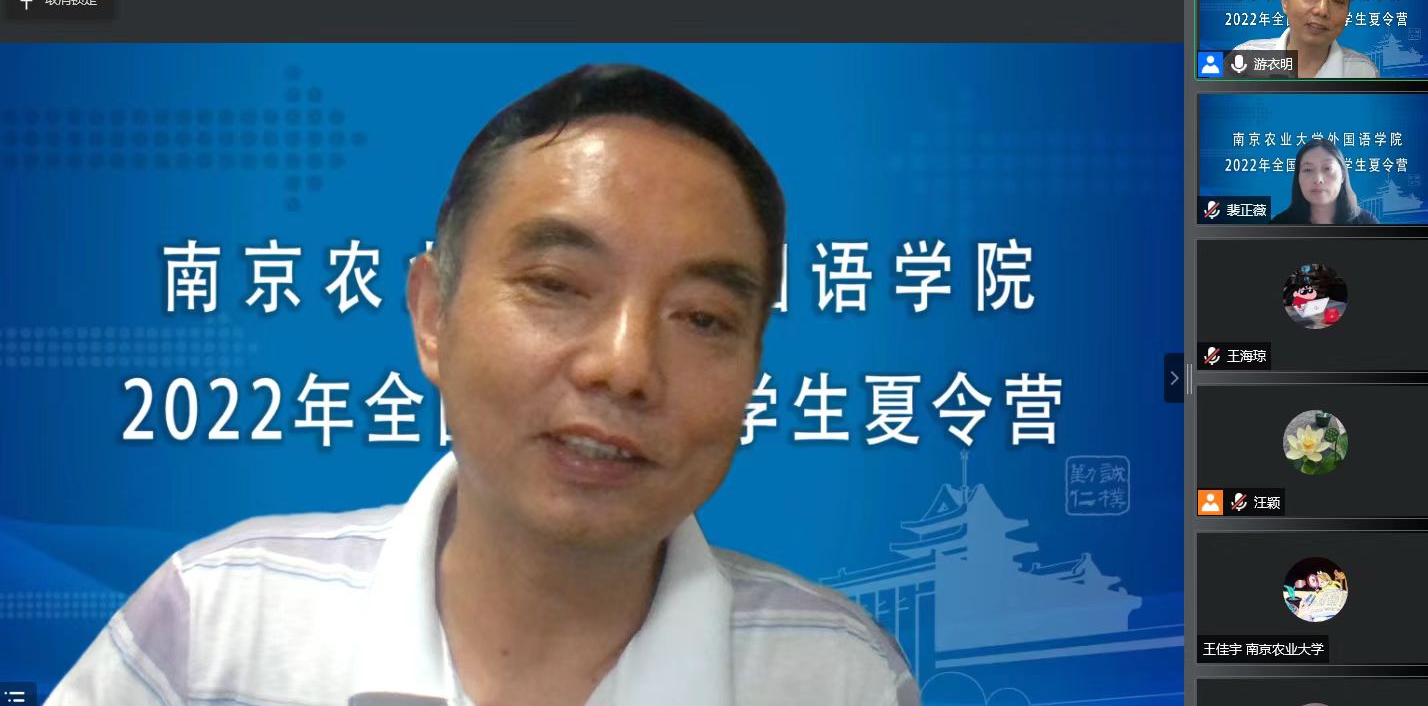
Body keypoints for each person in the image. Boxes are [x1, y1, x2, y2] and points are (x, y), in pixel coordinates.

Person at [47, 65, 920, 706]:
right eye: (558, 284)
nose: (625, 366)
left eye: (702, 318)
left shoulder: (836, 675)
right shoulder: (223, 622)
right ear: (433, 314)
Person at [1233, 0, 1379, 79]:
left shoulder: (1363, 72)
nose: (1322, 10)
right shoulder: (1245, 59)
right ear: (1285, 1)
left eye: (1338, 1)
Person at [1270, 139, 1379, 224]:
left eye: (1327, 168)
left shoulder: (1366, 223)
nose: (1318, 179)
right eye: (1308, 169)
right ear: (1298, 177)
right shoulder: (1279, 225)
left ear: (1343, 176)